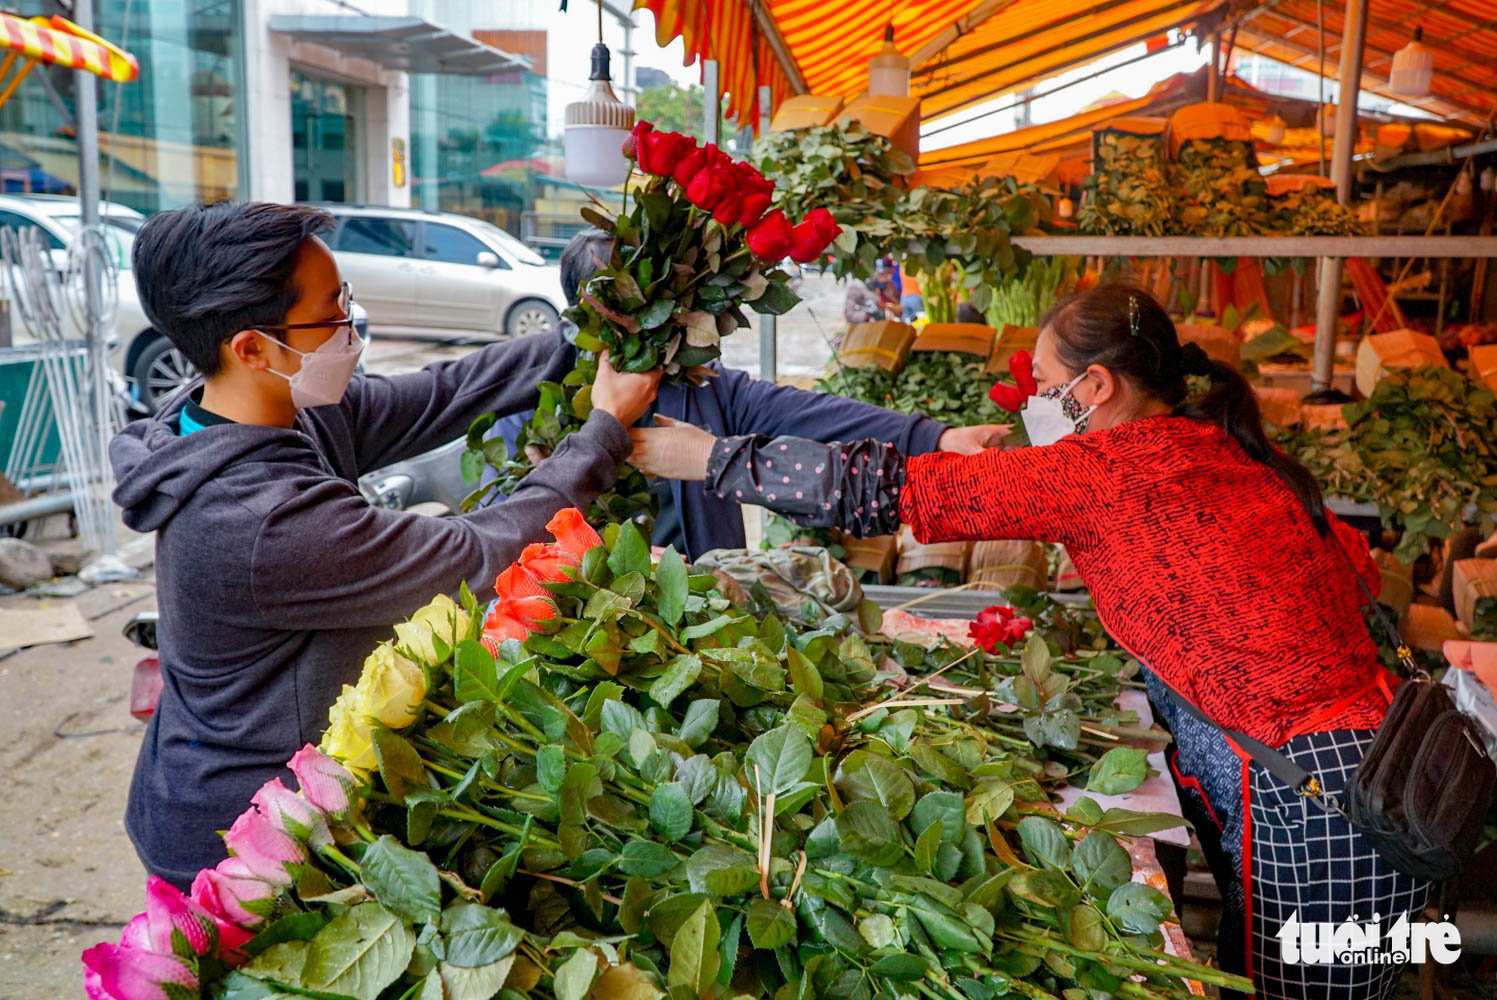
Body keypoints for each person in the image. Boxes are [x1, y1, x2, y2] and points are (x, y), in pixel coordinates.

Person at [630, 284, 1429, 1000]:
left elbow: (882, 491)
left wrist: (706, 458)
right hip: (1349, 766)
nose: (1036, 404)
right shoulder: (1212, 441)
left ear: (1096, 387)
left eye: (1046, 388)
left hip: (1321, 799)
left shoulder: (1108, 466)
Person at [110, 202, 660, 889]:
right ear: (251, 347)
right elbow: (476, 552)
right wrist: (604, 430)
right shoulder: (260, 522)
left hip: (269, 778)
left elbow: (440, 394)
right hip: (241, 836)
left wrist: (580, 341)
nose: (349, 326)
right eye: (330, 312)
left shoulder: (260, 410)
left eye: (344, 299)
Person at [498, 228, 1006, 561]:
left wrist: (935, 437)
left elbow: (811, 414)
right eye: (627, 308)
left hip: (708, 613)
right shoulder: (536, 409)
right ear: (590, 312)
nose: (654, 323)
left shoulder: (700, 386)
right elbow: (510, 532)